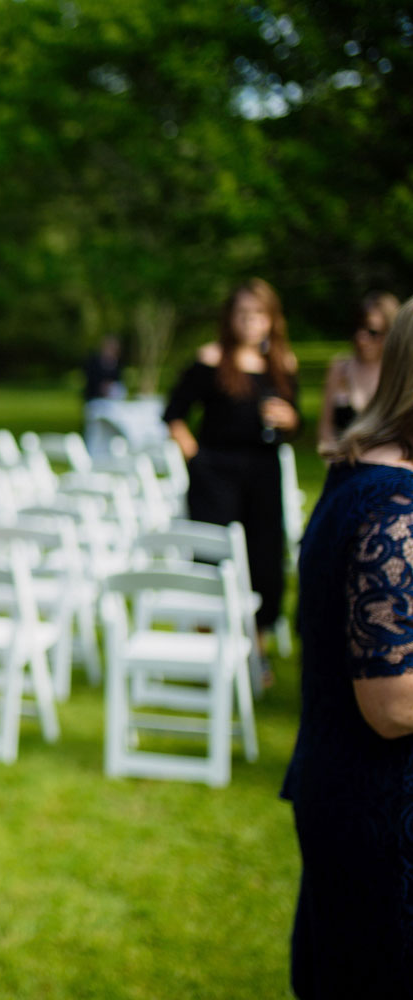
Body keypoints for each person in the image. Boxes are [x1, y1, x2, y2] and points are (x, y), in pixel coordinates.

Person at [282, 298, 413, 997]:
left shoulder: (356, 468)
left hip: (341, 790)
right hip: (384, 811)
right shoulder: (397, 507)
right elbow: (393, 702)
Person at [163, 278, 299, 640]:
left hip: (263, 472)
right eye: (242, 314)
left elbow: (295, 421)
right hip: (216, 473)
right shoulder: (211, 360)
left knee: (264, 556)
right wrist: (197, 459)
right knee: (213, 558)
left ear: (271, 318)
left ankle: (258, 643)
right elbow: (174, 415)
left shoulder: (281, 364)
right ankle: (207, 640)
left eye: (258, 314)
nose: (250, 322)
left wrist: (291, 420)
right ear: (229, 318)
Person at [318, 291, 400, 450]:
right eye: (358, 328)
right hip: (343, 465)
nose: (362, 338)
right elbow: (325, 427)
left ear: (391, 333)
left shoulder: (398, 373)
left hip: (385, 467)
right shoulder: (340, 368)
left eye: (373, 332)